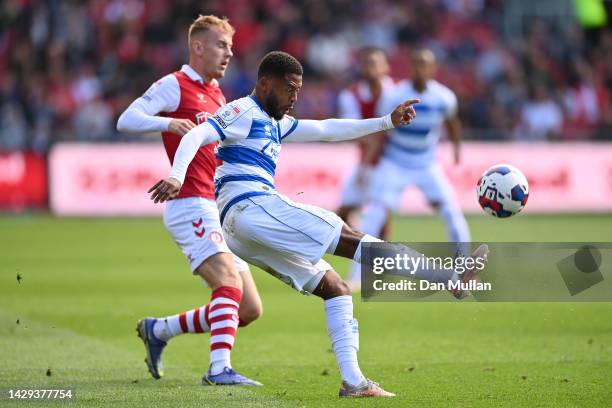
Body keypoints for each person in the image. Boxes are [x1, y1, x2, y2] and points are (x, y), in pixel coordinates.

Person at [148, 51, 488, 398]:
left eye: (298, 90)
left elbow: (327, 128)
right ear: (265, 84)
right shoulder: (242, 111)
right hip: (250, 207)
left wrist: (385, 121)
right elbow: (195, 135)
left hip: (244, 229)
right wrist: (177, 176)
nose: (295, 97)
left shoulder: (275, 122)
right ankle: (449, 278)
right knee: (349, 237)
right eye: (288, 89)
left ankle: (353, 381)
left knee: (335, 287)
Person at [116, 15, 262, 386]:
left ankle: (159, 330)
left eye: (230, 46)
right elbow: (126, 120)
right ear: (197, 47)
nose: (229, 53)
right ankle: (218, 370)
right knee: (228, 283)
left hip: (217, 205)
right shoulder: (174, 84)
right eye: (220, 45)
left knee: (248, 308)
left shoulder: (217, 94)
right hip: (189, 203)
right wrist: (167, 124)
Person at [347, 48, 470, 287]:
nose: (420, 69)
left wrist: (456, 149)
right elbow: (380, 129)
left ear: (433, 69)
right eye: (416, 64)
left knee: (452, 213)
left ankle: (465, 271)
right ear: (410, 68)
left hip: (427, 163)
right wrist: (366, 165)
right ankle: (354, 277)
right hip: (396, 161)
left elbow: (453, 123)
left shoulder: (444, 97)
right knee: (373, 216)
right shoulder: (395, 95)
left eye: (425, 64)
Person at [336, 47, 395, 243]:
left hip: (390, 162)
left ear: (386, 67)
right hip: (367, 161)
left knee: (380, 213)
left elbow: (382, 134)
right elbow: (352, 130)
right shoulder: (350, 95)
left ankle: (379, 259)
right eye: (367, 64)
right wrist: (366, 159)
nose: (371, 69)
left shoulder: (394, 94)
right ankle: (360, 239)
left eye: (375, 64)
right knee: (343, 210)